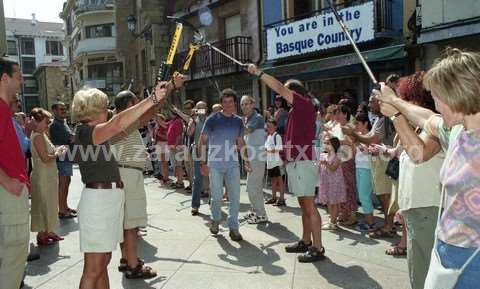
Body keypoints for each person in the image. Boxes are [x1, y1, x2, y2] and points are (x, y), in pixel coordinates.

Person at [376, 48, 480, 289]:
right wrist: (394, 102)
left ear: (456, 93)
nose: (435, 105)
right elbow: (426, 118)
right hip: (446, 248)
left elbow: (418, 153)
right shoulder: (457, 131)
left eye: (437, 96)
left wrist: (396, 115)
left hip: (472, 258)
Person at [71, 74, 178, 289]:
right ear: (93, 110)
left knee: (103, 263)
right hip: (99, 202)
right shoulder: (86, 132)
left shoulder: (95, 131)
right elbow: (119, 121)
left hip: (107, 199)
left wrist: (161, 95)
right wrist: (151, 99)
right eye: (104, 106)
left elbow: (131, 120)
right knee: (93, 268)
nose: (107, 109)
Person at [247, 64, 325, 262]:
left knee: (309, 205)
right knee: (303, 204)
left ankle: (318, 247)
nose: (282, 98)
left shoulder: (304, 104)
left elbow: (280, 88)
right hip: (295, 161)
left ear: (295, 93)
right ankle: (306, 241)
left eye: (286, 94)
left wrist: (259, 73)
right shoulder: (295, 111)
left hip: (302, 162)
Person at [111, 90, 157, 279]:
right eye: (136, 102)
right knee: (132, 225)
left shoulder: (118, 119)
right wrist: (160, 95)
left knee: (125, 222)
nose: (139, 105)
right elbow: (149, 114)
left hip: (125, 172)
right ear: (130, 104)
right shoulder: (124, 119)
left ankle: (125, 259)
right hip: (129, 175)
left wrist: (140, 154)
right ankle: (133, 265)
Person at [199, 88, 250, 242]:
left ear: (235, 103)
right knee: (216, 197)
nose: (227, 104)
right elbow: (202, 140)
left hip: (233, 164)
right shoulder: (212, 119)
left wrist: (247, 160)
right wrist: (202, 162)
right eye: (225, 102)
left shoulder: (238, 121)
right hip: (214, 164)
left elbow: (241, 143)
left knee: (235, 196)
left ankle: (233, 227)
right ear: (221, 103)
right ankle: (215, 219)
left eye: (230, 101)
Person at [342, 92, 396, 238]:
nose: (369, 105)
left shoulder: (385, 118)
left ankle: (388, 226)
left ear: (381, 102)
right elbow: (372, 140)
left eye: (372, 102)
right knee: (382, 196)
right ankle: (388, 224)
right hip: (378, 160)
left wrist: (354, 134)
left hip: (384, 161)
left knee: (385, 196)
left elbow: (373, 139)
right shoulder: (380, 119)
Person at [0, 57, 30, 289]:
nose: (21, 82)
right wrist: (7, 181)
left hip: (10, 191)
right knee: (13, 255)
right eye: (18, 77)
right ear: (4, 78)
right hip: (8, 193)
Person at [30, 108, 66, 246]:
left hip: (46, 174)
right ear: (38, 122)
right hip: (43, 175)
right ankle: (44, 232)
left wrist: (56, 150)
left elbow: (46, 153)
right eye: (46, 122)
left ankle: (46, 231)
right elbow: (45, 158)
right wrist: (58, 153)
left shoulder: (40, 134)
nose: (48, 124)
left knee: (46, 203)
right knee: (46, 203)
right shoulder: (38, 136)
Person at [240, 95, 268, 224]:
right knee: (254, 187)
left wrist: (235, 122)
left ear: (252, 104)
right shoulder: (246, 119)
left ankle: (261, 214)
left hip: (257, 157)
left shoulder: (257, 118)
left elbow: (247, 130)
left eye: (247, 104)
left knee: (252, 187)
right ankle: (256, 211)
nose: (244, 106)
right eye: (242, 104)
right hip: (251, 157)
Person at [49, 101, 76, 219]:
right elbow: (70, 138)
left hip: (66, 157)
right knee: (63, 184)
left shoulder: (62, 123)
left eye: (65, 109)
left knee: (66, 182)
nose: (64, 111)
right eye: (61, 109)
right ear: (54, 111)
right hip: (62, 158)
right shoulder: (55, 125)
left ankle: (65, 206)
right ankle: (62, 210)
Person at [353, 113, 375, 232]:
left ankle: (370, 222)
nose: (356, 125)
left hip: (367, 168)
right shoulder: (360, 135)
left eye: (358, 123)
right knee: (362, 195)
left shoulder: (370, 135)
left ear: (365, 123)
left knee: (364, 195)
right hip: (359, 167)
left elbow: (367, 151)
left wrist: (357, 142)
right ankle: (368, 220)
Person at [318, 137, 346, 230]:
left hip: (335, 182)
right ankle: (332, 219)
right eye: (325, 143)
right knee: (329, 202)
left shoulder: (338, 155)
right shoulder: (324, 155)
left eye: (328, 143)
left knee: (334, 202)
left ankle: (333, 222)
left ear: (333, 145)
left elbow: (333, 168)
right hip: (327, 181)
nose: (325, 145)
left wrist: (326, 164)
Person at [190, 101, 209, 215]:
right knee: (197, 179)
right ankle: (195, 206)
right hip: (197, 151)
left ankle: (214, 203)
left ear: (206, 109)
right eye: (198, 108)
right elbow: (189, 133)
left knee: (213, 178)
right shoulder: (193, 120)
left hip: (211, 151)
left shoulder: (211, 120)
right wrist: (192, 119)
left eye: (202, 108)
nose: (200, 110)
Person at [264, 119, 285, 206]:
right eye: (267, 126)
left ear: (275, 127)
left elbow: (279, 148)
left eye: (270, 126)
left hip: (277, 162)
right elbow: (266, 148)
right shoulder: (268, 137)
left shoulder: (277, 136)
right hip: (270, 162)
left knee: (280, 181)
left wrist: (270, 150)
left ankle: (282, 199)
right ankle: (273, 198)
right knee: (273, 181)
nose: (269, 128)